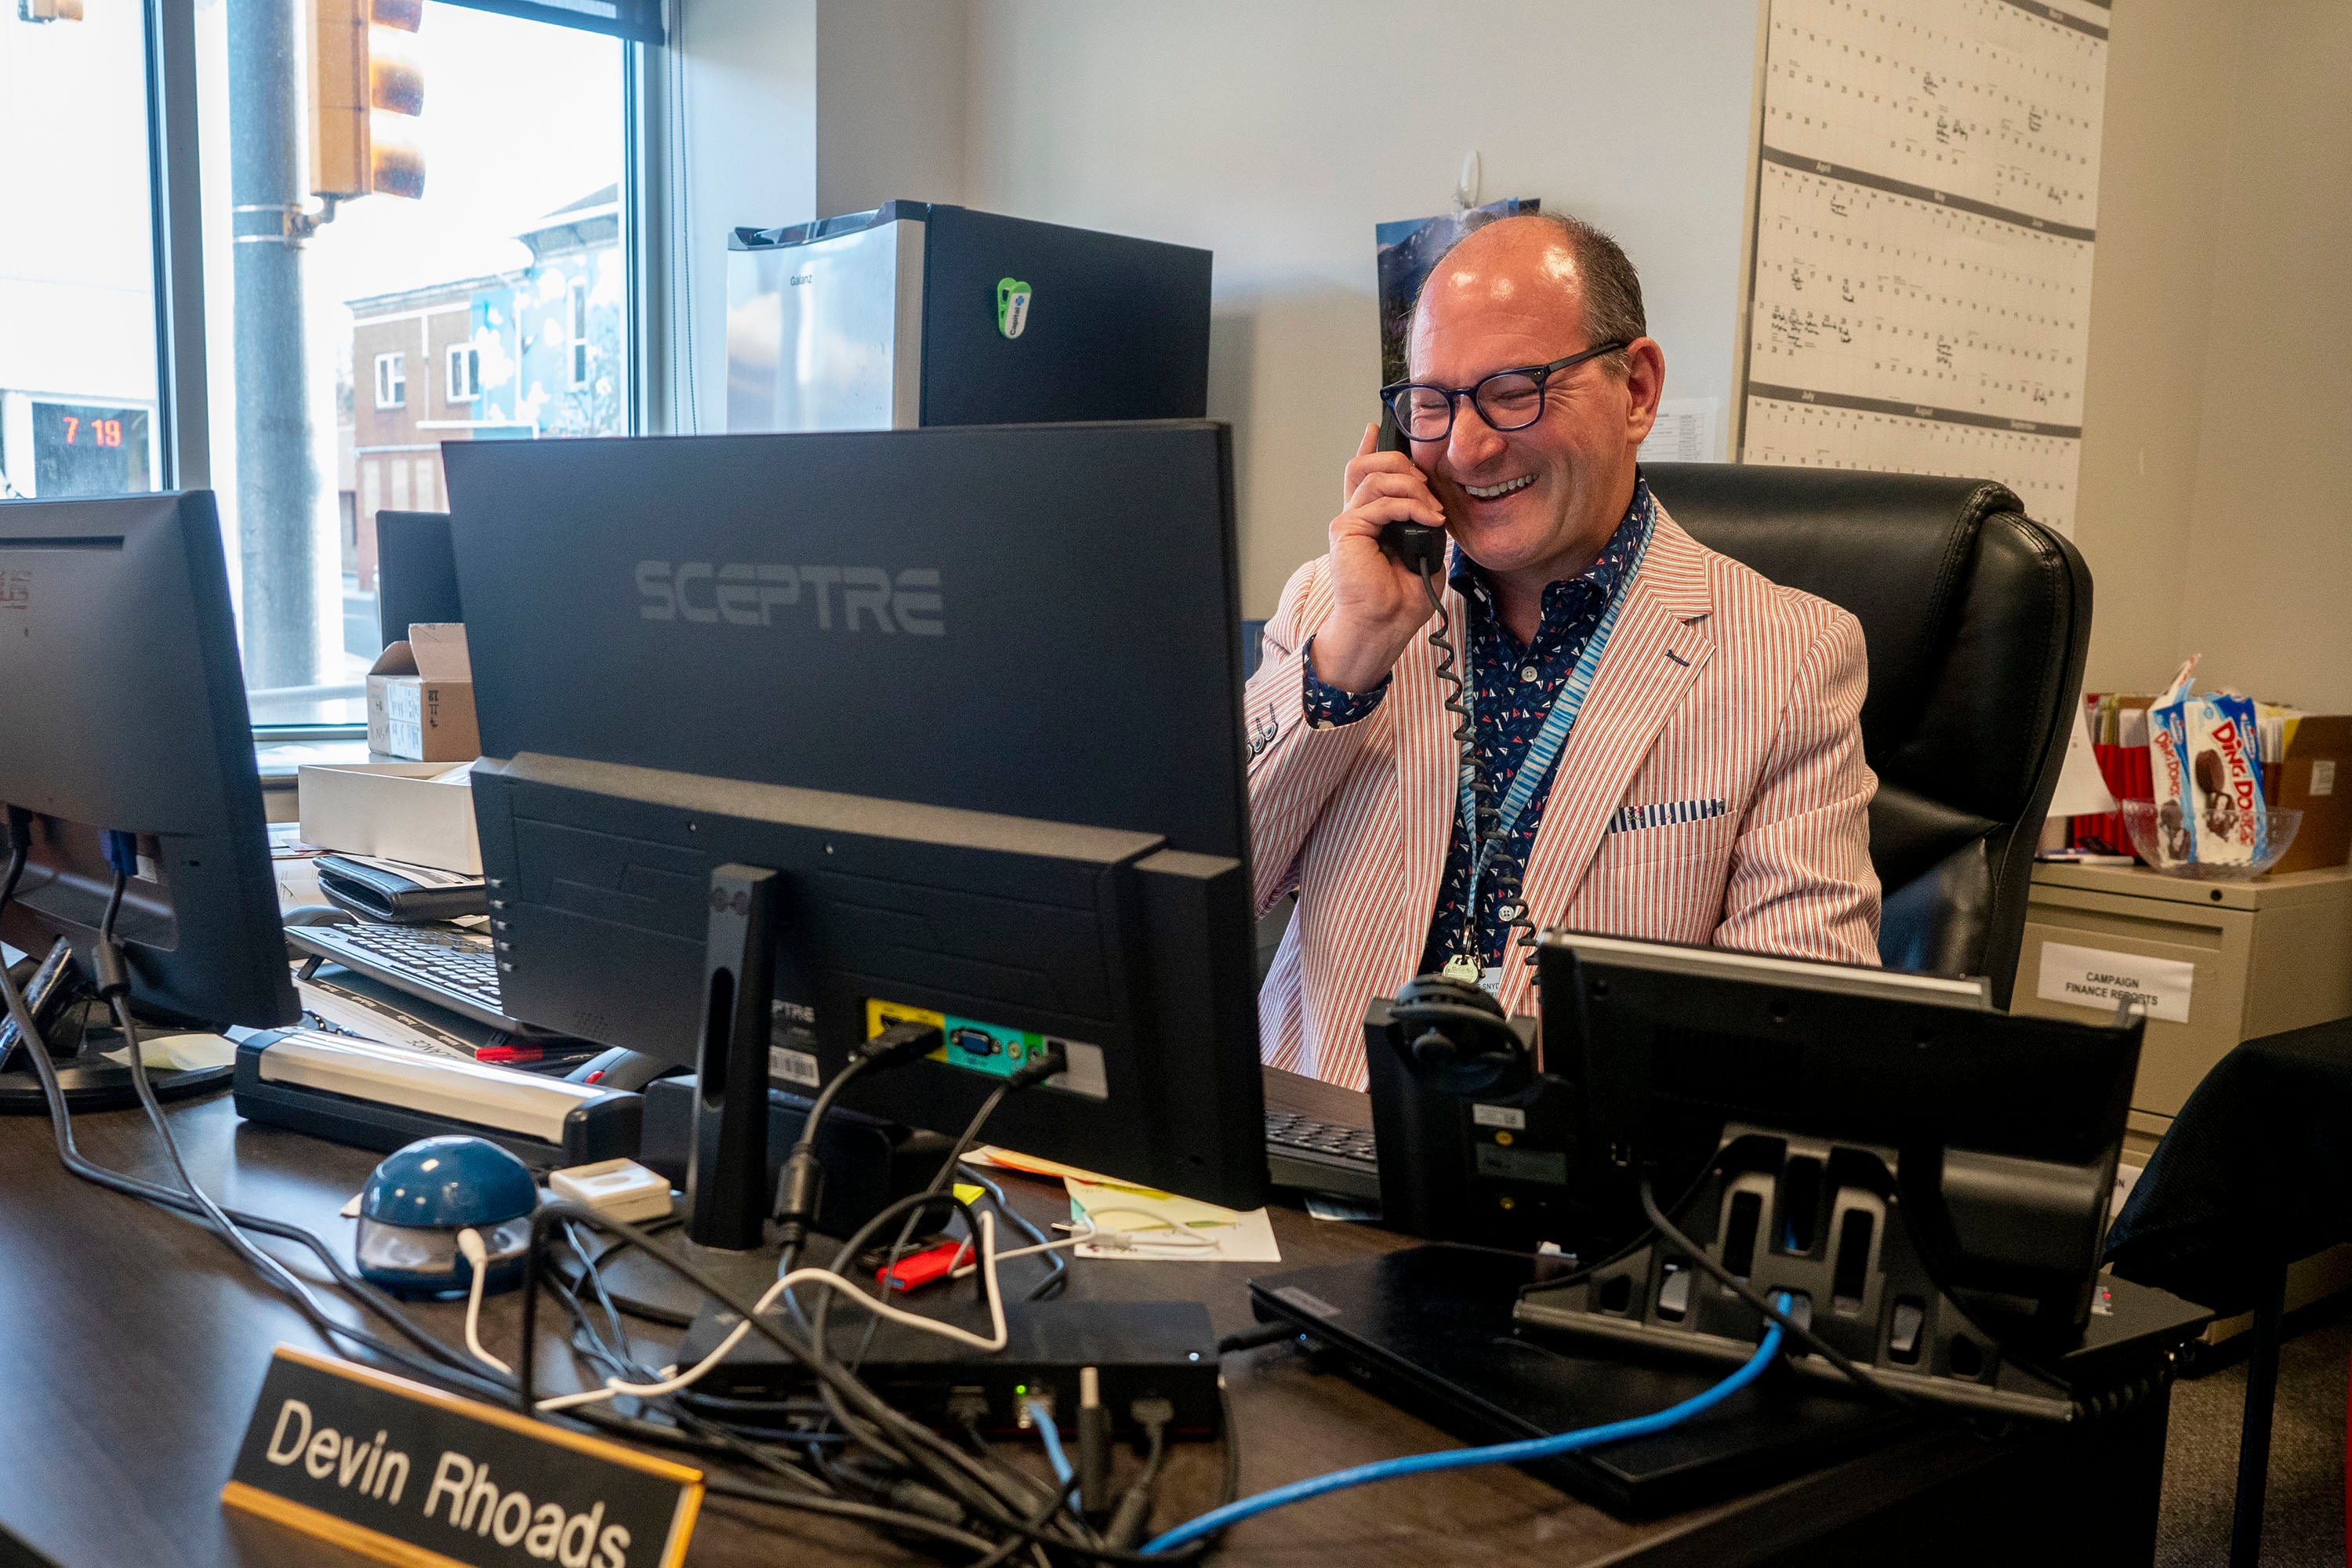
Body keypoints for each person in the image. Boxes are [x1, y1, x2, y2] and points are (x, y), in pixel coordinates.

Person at [1247, 212, 1879, 1090]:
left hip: (1576, 1193)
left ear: (1638, 390)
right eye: (1432, 403)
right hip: (1307, 1165)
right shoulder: (1336, 603)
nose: (1468, 447)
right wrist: (1349, 657)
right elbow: (1202, 900)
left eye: (1513, 389)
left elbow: (1800, 1027)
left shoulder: (1789, 658)